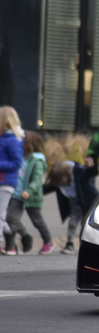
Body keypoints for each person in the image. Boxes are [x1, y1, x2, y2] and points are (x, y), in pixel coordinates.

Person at [3, 131, 54, 255]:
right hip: (16, 194)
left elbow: (37, 179)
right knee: (10, 218)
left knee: (37, 221)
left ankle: (48, 241)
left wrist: (29, 191)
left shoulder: (37, 160)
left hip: (31, 196)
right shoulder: (19, 156)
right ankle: (11, 246)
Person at [44, 161, 99, 254]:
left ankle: (91, 244)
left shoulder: (79, 171)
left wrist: (93, 163)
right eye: (59, 180)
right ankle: (70, 244)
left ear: (67, 173)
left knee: (87, 224)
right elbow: (46, 188)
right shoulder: (58, 180)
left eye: (63, 178)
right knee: (72, 222)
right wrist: (31, 192)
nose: (62, 181)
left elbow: (93, 172)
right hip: (74, 202)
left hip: (88, 201)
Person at [0, 106, 23, 248]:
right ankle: (8, 231)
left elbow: (16, 163)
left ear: (5, 121)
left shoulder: (13, 140)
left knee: (0, 212)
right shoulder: (4, 138)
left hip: (6, 182)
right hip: (3, 181)